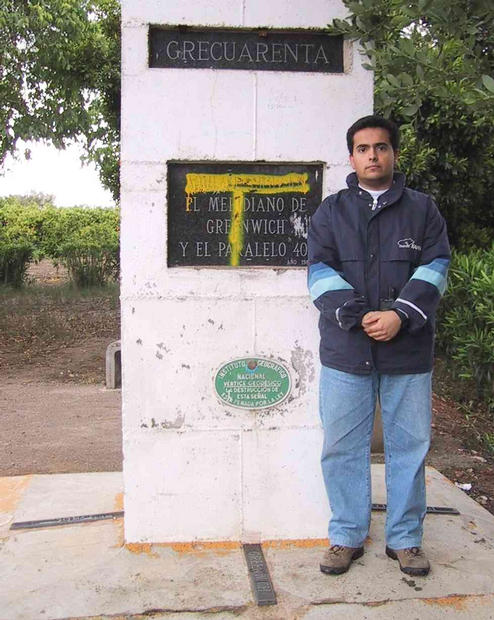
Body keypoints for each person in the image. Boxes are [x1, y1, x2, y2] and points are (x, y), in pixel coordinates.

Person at [307, 115, 450, 577]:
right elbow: (318, 271)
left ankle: (405, 540)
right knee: (342, 446)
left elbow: (436, 266)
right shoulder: (331, 212)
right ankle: (346, 535)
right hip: (347, 352)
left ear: (394, 154)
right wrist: (357, 314)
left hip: (407, 353)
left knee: (409, 445)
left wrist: (400, 316)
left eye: (382, 147)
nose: (373, 155)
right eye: (364, 148)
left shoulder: (423, 210)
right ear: (351, 156)